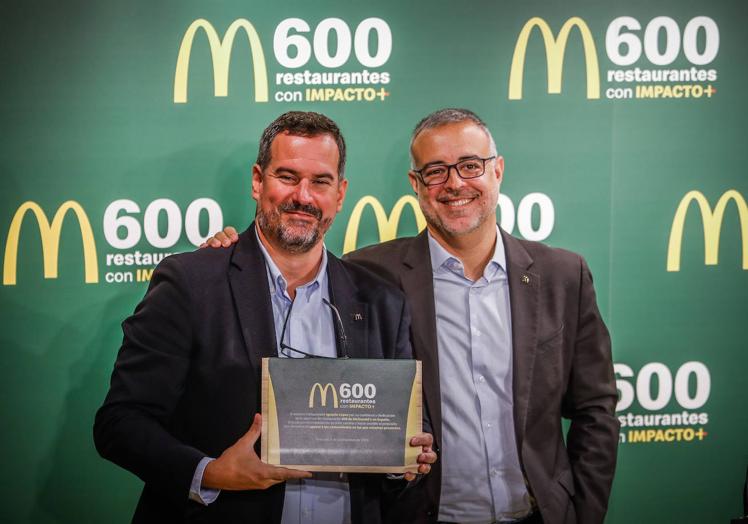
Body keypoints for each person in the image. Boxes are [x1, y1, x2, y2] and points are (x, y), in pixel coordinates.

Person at [205, 108, 619, 524]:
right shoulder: (367, 277)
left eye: (471, 166)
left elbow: (596, 408)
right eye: (436, 171)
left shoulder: (564, 275)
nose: (455, 183)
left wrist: (583, 512)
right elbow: (279, 258)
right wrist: (226, 255)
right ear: (416, 185)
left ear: (497, 171)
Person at [94, 111, 436, 524]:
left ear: (340, 194)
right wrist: (211, 472)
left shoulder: (382, 301)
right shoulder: (191, 282)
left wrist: (407, 457)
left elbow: (403, 439)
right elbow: (120, 423)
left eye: (321, 182)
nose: (304, 196)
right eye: (287, 177)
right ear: (258, 181)